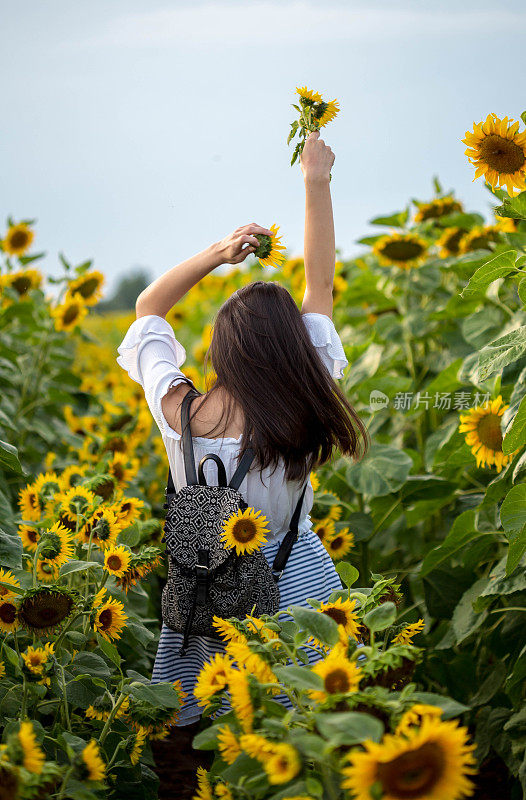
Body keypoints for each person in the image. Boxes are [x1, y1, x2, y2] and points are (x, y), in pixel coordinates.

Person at [116, 130, 369, 781]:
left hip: (204, 590)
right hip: (294, 582)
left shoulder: (181, 414)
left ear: (221, 351)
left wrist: (220, 253)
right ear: (290, 353)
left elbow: (148, 310)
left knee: (212, 746)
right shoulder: (299, 408)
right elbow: (320, 287)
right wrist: (316, 181)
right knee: (300, 742)